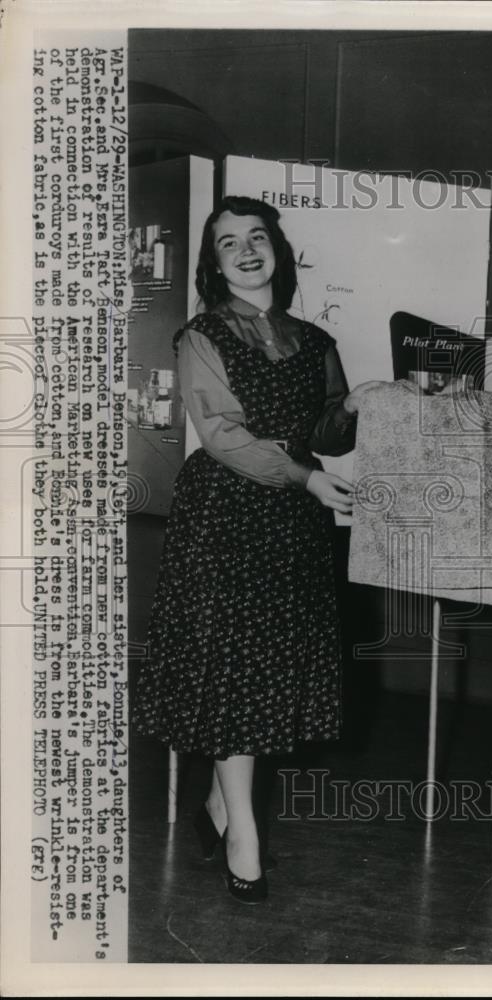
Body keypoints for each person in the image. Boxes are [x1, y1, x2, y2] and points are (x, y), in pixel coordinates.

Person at [133, 196, 381, 904]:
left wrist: (354, 406)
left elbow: (329, 435)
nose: (246, 251)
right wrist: (306, 477)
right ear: (214, 265)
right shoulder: (200, 335)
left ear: (277, 248)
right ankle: (244, 832)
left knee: (262, 673)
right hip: (225, 514)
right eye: (228, 244)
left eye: (256, 237)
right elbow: (224, 438)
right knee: (235, 672)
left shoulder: (314, 339)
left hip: (292, 523)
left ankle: (219, 804)